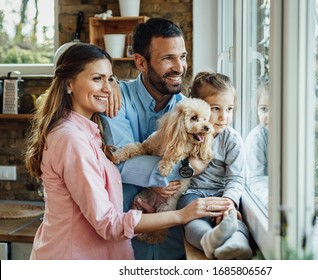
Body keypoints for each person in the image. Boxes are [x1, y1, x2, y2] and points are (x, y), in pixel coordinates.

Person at [24, 43, 229, 260]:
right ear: (69, 84)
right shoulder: (71, 139)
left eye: (110, 79)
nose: (107, 88)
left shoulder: (89, 131)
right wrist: (181, 215)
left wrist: (141, 216)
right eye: (97, 79)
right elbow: (108, 223)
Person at [100, 18, 196, 260]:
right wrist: (175, 174)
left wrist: (158, 179)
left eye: (182, 56)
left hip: (173, 243)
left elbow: (201, 162)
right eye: (167, 59)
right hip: (127, 241)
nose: (179, 67)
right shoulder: (116, 99)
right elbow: (119, 161)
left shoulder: (190, 111)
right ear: (141, 62)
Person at [177, 71, 253, 260]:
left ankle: (237, 244)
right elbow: (178, 169)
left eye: (229, 109)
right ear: (199, 107)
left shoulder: (232, 139)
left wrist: (229, 202)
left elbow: (236, 177)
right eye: (216, 109)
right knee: (192, 222)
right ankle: (207, 239)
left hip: (221, 194)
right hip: (193, 194)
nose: (223, 117)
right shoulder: (189, 135)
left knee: (234, 219)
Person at [244, 83, 269, 208]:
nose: (269, 116)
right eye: (264, 109)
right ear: (257, 110)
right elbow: (255, 180)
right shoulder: (257, 138)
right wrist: (270, 201)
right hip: (267, 196)